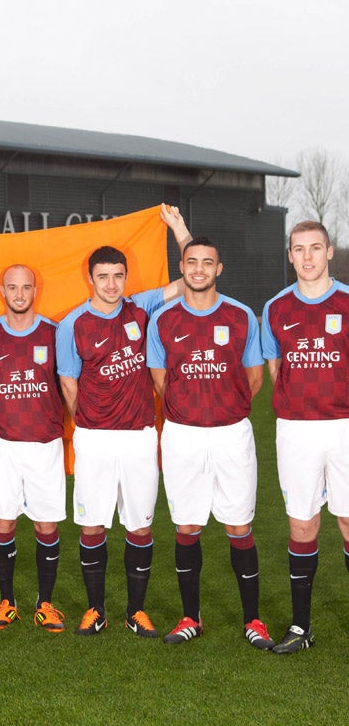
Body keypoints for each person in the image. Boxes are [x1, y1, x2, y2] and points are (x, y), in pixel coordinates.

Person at [55, 204, 190, 638]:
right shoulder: (72, 324)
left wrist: (180, 230)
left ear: (125, 278)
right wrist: (92, 424)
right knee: (92, 524)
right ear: (89, 278)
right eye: (103, 276)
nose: (111, 284)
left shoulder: (142, 308)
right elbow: (69, 386)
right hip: (94, 439)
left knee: (141, 524)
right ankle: (96, 610)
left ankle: (136, 611)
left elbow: (194, 275)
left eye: (118, 276)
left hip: (138, 438)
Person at [147, 237, 273, 649]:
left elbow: (254, 377)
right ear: (181, 266)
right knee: (187, 525)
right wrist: (191, 411)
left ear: (220, 268)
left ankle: (253, 620)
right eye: (191, 261)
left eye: (208, 262)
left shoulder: (239, 316)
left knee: (239, 525)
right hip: (182, 434)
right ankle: (190, 617)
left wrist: (224, 408)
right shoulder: (163, 320)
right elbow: (161, 380)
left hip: (231, 433)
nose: (199, 269)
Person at [261, 220, 349, 654]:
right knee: (302, 523)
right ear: (290, 255)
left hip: (346, 426)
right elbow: (277, 369)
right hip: (295, 428)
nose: (308, 257)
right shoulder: (275, 308)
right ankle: (301, 628)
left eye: (316, 248)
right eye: (299, 249)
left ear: (330, 252)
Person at [0, 264, 67, 633]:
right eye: (11, 287)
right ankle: (7, 601)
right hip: (2, 443)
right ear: (2, 290)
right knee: (3, 520)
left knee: (47, 523)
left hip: (45, 442)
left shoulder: (53, 334)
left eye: (25, 287)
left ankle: (45, 603)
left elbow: (66, 384)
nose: (18, 294)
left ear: (35, 290)